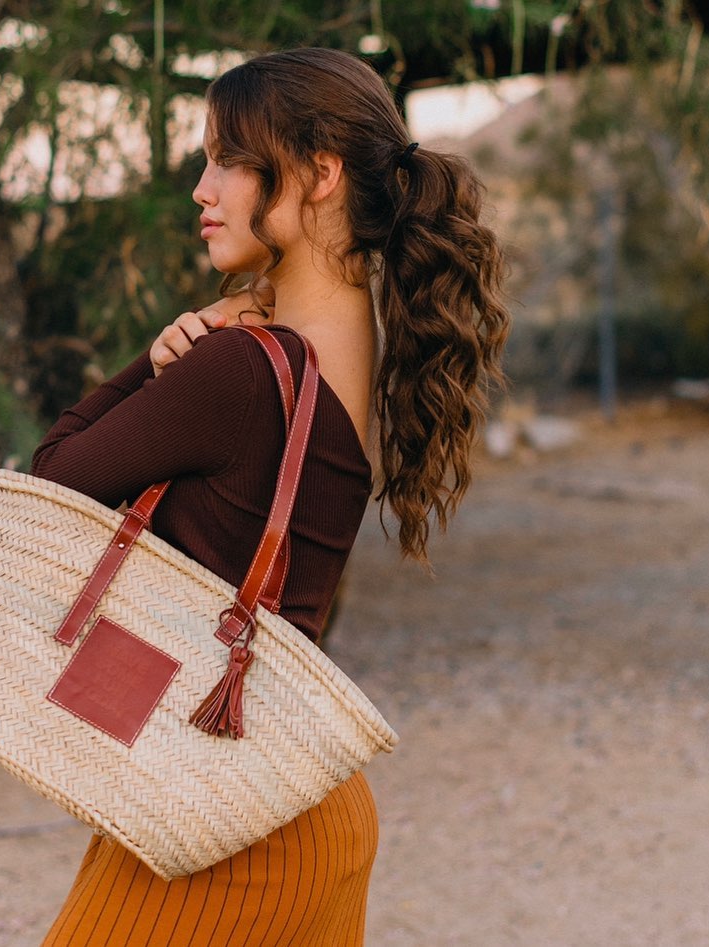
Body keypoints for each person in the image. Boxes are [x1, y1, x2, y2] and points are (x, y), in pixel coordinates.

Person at [31, 46, 509, 947]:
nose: (201, 189)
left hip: (225, 823)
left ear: (319, 174)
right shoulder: (352, 349)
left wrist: (153, 360)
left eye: (228, 160)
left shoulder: (242, 370)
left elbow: (48, 476)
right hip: (297, 797)